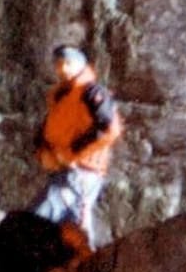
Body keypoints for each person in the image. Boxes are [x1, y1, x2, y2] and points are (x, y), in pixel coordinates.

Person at [28, 44, 122, 239]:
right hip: (62, 169)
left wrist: (73, 153)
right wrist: (44, 152)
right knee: (64, 230)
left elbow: (110, 129)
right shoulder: (62, 96)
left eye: (68, 63)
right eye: (59, 64)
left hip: (81, 173)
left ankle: (88, 265)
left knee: (50, 221)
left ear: (80, 65)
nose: (62, 69)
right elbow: (49, 129)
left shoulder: (91, 93)